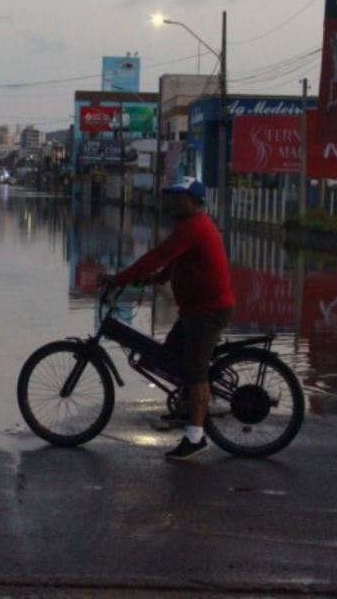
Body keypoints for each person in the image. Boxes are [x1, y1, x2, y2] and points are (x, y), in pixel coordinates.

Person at [101, 176, 235, 461]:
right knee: (170, 358)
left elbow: (157, 256)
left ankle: (196, 437)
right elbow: (172, 262)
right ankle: (188, 409)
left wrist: (120, 278)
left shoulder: (194, 227)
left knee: (195, 371)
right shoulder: (191, 226)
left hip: (207, 311)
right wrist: (153, 280)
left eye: (179, 197)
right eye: (173, 196)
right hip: (194, 310)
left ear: (194, 201)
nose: (174, 202)